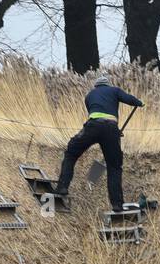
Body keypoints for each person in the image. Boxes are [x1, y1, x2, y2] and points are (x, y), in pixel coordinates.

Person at [51, 76, 144, 212]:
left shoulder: (89, 95)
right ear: (108, 85)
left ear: (96, 86)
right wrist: (140, 103)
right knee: (114, 167)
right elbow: (130, 99)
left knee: (71, 153)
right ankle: (117, 204)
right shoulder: (114, 90)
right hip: (111, 130)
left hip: (92, 126)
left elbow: (92, 112)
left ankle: (62, 187)